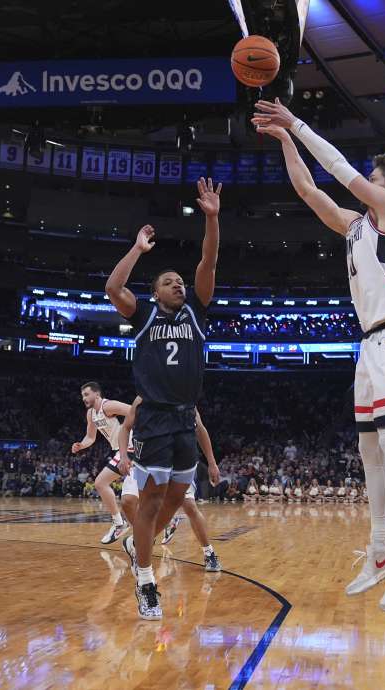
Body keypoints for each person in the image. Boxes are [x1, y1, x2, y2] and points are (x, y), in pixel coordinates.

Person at [255, 98, 385, 610]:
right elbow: (309, 189)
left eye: (373, 177)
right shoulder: (356, 226)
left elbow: (337, 169)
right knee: (369, 451)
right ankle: (381, 548)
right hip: (370, 344)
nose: (364, 181)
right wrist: (286, 140)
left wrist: (298, 123)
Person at [106, 177, 221, 620]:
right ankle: (146, 579)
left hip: (185, 417)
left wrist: (212, 218)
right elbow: (113, 289)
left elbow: (208, 259)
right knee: (153, 498)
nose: (177, 285)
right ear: (155, 292)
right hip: (154, 417)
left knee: (176, 498)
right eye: (169, 281)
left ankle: (141, 541)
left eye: (179, 281)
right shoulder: (144, 314)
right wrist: (137, 250)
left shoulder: (198, 309)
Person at [118, 401, 221, 573]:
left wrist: (212, 462)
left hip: (177, 462)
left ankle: (209, 552)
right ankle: (141, 544)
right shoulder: (143, 399)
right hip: (146, 459)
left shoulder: (185, 398)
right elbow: (125, 428)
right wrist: (122, 456)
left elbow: (200, 429)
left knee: (189, 505)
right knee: (128, 501)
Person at [71, 382, 134, 544]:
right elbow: (91, 437)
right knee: (140, 495)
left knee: (100, 483)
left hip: (130, 448)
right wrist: (81, 445)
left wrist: (134, 433)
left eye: (86, 394)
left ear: (97, 395)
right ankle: (171, 520)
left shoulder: (108, 406)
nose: (83, 398)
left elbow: (134, 411)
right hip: (122, 450)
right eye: (82, 395)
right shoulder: (91, 414)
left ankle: (119, 523)